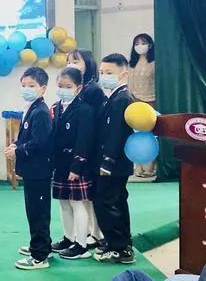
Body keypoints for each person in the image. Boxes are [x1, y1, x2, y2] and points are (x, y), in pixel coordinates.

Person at [8, 67, 53, 270]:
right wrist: (16, 145)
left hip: (39, 170)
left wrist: (18, 152)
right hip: (32, 171)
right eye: (23, 85)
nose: (26, 89)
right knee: (34, 210)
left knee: (38, 213)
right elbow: (28, 137)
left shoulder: (41, 112)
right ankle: (42, 246)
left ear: (43, 88)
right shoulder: (32, 108)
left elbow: (40, 143)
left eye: (31, 85)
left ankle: (39, 256)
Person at [49, 67, 96, 260]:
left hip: (76, 165)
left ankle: (81, 244)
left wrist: (77, 166)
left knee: (78, 203)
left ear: (78, 88)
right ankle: (68, 238)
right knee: (63, 202)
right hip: (59, 163)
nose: (63, 89)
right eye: (60, 85)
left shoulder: (85, 110)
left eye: (68, 86)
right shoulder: (55, 107)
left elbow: (84, 140)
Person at [93, 53, 136, 264]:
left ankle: (119, 247)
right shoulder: (114, 97)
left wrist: (107, 162)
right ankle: (121, 242)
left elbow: (116, 134)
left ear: (124, 74)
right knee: (116, 201)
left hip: (114, 163)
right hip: (116, 162)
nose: (104, 76)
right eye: (101, 72)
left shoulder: (122, 99)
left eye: (109, 72)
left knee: (105, 202)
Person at [66, 49, 106, 250]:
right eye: (68, 61)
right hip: (81, 148)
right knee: (86, 197)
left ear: (88, 63)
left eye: (76, 61)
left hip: (91, 149)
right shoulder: (79, 88)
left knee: (91, 196)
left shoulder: (93, 90)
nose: (71, 64)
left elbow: (91, 125)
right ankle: (90, 231)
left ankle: (97, 233)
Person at [127, 34, 156, 179]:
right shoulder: (132, 63)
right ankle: (137, 167)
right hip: (135, 101)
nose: (140, 46)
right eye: (136, 43)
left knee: (151, 134)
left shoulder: (155, 62)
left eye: (143, 43)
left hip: (152, 101)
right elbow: (129, 83)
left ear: (150, 45)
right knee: (136, 134)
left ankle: (150, 167)